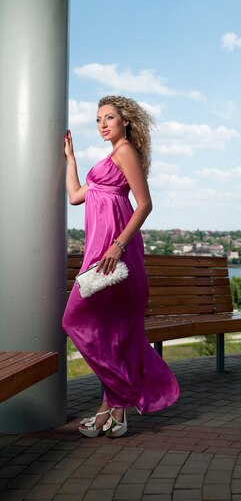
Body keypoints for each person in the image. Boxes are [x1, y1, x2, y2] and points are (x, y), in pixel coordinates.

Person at [62, 95, 179, 438]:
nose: (102, 125)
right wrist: (70, 157)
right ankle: (114, 411)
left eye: (109, 118)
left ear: (125, 121)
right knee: (109, 334)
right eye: (98, 119)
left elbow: (144, 204)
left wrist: (118, 244)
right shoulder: (108, 158)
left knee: (77, 320)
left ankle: (119, 401)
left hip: (118, 253)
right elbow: (75, 195)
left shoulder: (125, 151)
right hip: (99, 253)